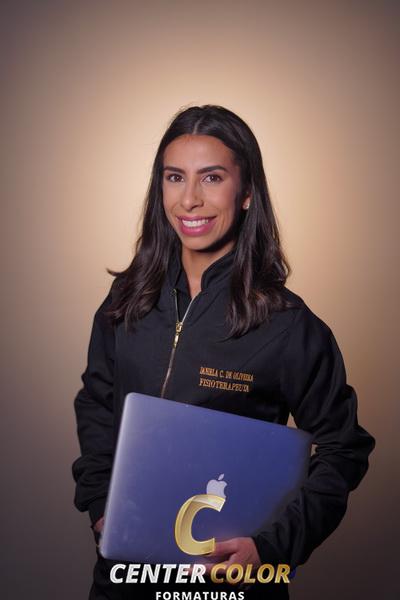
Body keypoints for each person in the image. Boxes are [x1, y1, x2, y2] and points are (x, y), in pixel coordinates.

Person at [72, 105, 375, 599]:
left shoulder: (287, 324)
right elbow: (97, 404)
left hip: (230, 583)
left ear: (247, 191)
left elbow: (344, 449)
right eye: (175, 177)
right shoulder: (127, 299)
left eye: (211, 177)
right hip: (124, 576)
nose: (190, 199)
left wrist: (270, 548)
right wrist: (100, 504)